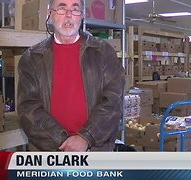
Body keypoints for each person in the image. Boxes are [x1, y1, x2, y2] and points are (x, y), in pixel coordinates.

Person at [17, 0, 125, 152]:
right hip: (48, 151)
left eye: (75, 10)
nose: (68, 15)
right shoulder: (32, 58)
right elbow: (27, 108)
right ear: (49, 14)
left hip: (94, 149)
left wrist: (85, 137)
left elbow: (114, 102)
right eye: (62, 9)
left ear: (81, 16)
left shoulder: (103, 53)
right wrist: (63, 142)